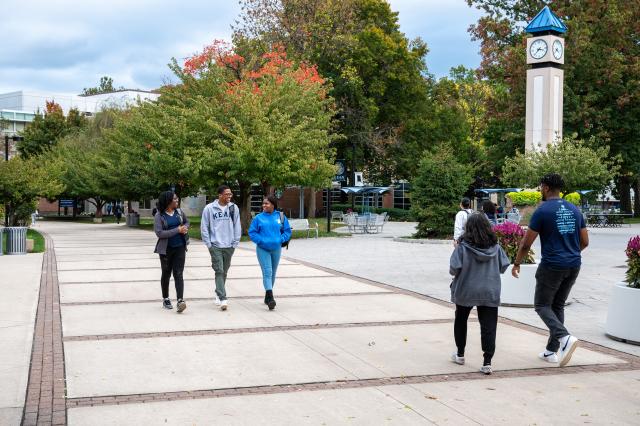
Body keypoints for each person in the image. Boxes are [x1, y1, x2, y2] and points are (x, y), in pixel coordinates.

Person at [512, 174, 589, 367]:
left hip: (552, 265)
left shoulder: (542, 210)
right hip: (574, 264)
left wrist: (517, 263)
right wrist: (570, 253)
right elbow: (585, 241)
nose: (540, 191)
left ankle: (564, 338)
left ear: (546, 188)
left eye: (540, 188)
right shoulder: (574, 209)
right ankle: (551, 352)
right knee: (557, 306)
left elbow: (526, 243)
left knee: (541, 305)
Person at [449, 213, 510, 375]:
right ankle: (487, 362)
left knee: (461, 320)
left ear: (468, 228)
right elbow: (504, 266)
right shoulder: (496, 248)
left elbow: (453, 269)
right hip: (490, 290)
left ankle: (460, 354)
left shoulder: (462, 247)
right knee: (489, 326)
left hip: (466, 290)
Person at [200, 185, 241, 311]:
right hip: (215, 245)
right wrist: (209, 244)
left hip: (229, 245)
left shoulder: (233, 208)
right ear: (220, 195)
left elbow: (237, 225)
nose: (229, 196)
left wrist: (235, 243)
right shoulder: (209, 208)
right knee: (219, 270)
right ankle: (223, 298)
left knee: (224, 271)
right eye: (227, 194)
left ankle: (218, 292)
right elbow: (204, 227)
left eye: (230, 194)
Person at [248, 195, 292, 310]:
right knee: (267, 272)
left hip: (276, 249)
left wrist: (280, 239)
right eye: (263, 203)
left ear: (273, 204)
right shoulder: (258, 218)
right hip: (263, 249)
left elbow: (287, 231)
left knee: (273, 273)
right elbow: (252, 233)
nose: (264, 205)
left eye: (266, 203)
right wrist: (261, 241)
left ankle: (267, 295)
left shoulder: (281, 216)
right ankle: (271, 298)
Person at [154, 191, 189, 313]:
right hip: (166, 249)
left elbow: (186, 222)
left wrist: (185, 228)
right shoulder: (159, 216)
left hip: (180, 247)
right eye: (175, 199)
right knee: (166, 273)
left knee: (178, 273)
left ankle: (180, 300)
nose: (177, 200)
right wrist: (177, 230)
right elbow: (160, 233)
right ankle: (166, 298)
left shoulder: (179, 212)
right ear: (168, 201)